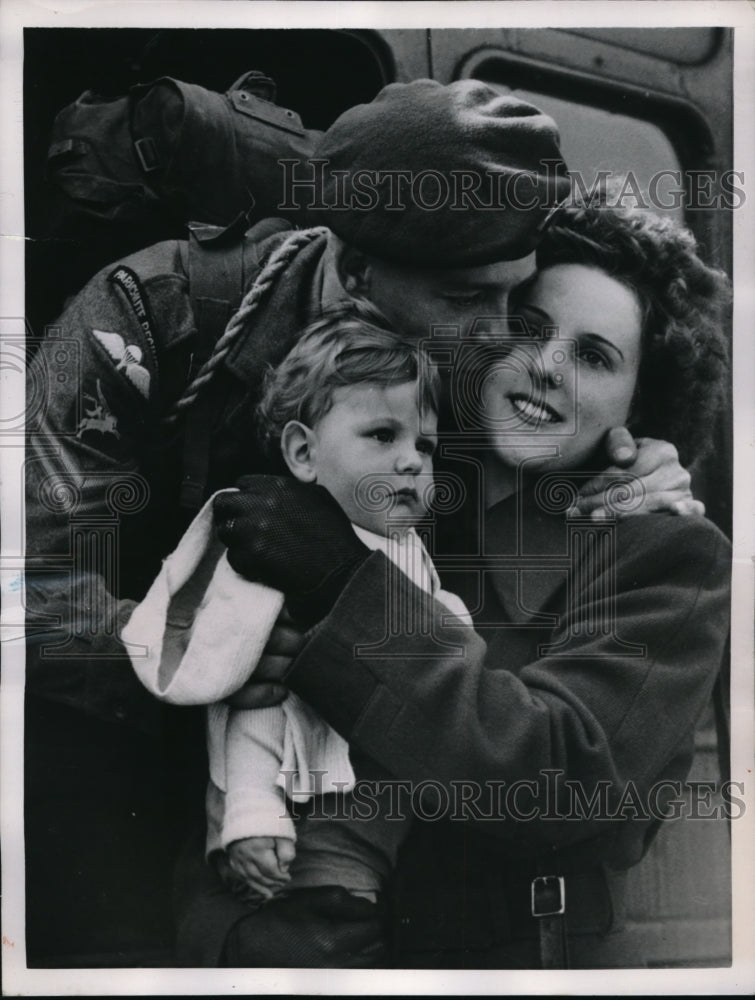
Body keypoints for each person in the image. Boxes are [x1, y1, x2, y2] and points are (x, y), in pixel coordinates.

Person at [25, 79, 702, 963]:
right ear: (355, 275)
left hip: (365, 817)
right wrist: (204, 656)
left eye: (516, 296)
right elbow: (25, 583)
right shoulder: (144, 317)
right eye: (468, 301)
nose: (501, 337)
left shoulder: (472, 361)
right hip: (122, 750)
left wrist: (646, 465)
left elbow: (575, 413)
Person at [211, 199, 732, 968]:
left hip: (516, 956)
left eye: (594, 357)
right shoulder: (386, 475)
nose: (547, 365)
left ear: (639, 407)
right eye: (527, 328)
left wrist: (342, 583)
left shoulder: (664, 550)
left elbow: (559, 774)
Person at [123, 307, 472, 966]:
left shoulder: (406, 549)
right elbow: (246, 700)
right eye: (381, 435)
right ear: (303, 453)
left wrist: (445, 622)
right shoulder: (275, 546)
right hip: (299, 825)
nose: (410, 463)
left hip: (375, 823)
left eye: (424, 445)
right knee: (315, 941)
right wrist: (251, 814)